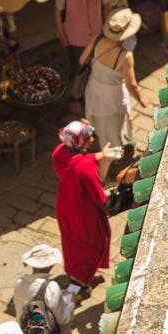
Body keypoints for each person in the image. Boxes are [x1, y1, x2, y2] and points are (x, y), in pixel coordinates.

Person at [80, 7, 149, 182]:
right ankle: (101, 178)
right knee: (112, 141)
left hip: (93, 91)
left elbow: (82, 60)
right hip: (110, 101)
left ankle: (101, 141)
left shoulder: (96, 40)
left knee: (101, 125)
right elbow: (132, 84)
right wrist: (141, 99)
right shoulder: (125, 56)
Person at [52, 121, 112, 295]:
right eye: (88, 137)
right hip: (85, 214)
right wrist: (110, 207)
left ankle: (77, 277)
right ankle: (76, 287)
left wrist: (100, 155)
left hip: (67, 206)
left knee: (73, 246)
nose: (92, 139)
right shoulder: (86, 168)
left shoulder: (59, 152)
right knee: (92, 247)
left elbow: (78, 160)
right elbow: (98, 196)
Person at [54, 0, 112, 111]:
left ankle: (90, 96)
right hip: (75, 38)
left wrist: (107, 30)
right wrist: (63, 38)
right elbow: (57, 13)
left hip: (96, 35)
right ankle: (75, 98)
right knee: (77, 70)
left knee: (95, 68)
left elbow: (107, 6)